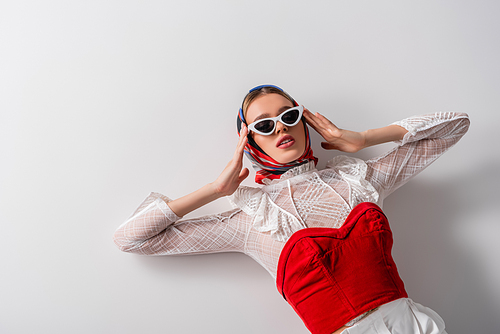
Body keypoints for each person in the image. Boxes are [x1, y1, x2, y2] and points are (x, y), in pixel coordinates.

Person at [114, 85, 470, 334]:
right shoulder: (250, 218)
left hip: (414, 325)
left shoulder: (359, 179)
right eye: (264, 125)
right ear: (249, 141)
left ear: (304, 122)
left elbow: (455, 126)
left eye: (289, 115)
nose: (281, 126)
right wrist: (214, 190)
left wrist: (363, 139)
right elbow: (131, 239)